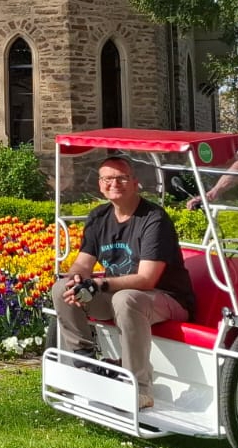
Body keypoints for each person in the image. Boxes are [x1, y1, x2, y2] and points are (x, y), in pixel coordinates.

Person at [51, 156, 195, 411]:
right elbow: (83, 264)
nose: (114, 183)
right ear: (100, 184)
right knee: (62, 288)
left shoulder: (154, 219)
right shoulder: (98, 217)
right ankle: (84, 366)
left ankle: (139, 388)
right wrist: (76, 279)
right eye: (108, 178)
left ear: (135, 182)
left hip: (165, 297)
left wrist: (99, 285)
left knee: (125, 298)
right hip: (121, 296)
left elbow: (146, 279)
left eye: (122, 177)